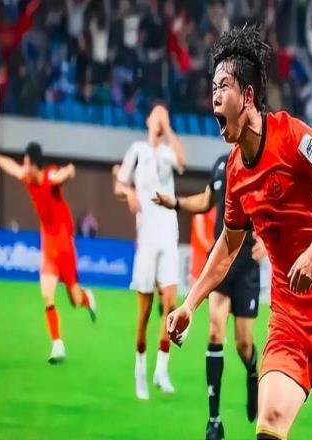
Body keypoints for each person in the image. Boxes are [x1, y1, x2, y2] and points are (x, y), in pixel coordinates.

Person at [166, 25, 312, 439]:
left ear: (247, 96)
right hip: (288, 321)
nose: (214, 96)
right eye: (212, 88)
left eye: (223, 86)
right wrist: (190, 303)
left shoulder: (293, 137)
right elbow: (227, 246)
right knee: (270, 426)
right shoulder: (234, 173)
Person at [153, 152, 267, 440]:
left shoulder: (260, 161)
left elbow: (276, 209)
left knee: (243, 344)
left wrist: (268, 242)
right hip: (221, 259)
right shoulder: (221, 164)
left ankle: (252, 372)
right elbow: (206, 201)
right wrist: (176, 203)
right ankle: (214, 421)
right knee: (215, 331)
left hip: (247, 266)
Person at [0, 143, 96, 363]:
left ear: (35, 165)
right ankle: (57, 345)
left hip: (64, 243)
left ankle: (87, 298)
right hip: (49, 244)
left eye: (26, 164)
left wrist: (69, 170)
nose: (23, 168)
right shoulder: (28, 177)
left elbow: (59, 175)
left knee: (75, 299)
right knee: (47, 294)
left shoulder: (50, 176)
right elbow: (12, 167)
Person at [114, 104, 185, 400]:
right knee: (143, 313)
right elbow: (119, 184)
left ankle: (162, 369)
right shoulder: (137, 150)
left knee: (170, 304)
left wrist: (168, 129)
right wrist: (129, 192)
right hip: (147, 238)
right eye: (156, 115)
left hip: (169, 235)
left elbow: (183, 163)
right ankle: (140, 368)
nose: (159, 119)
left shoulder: (168, 153)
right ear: (147, 120)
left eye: (163, 115)